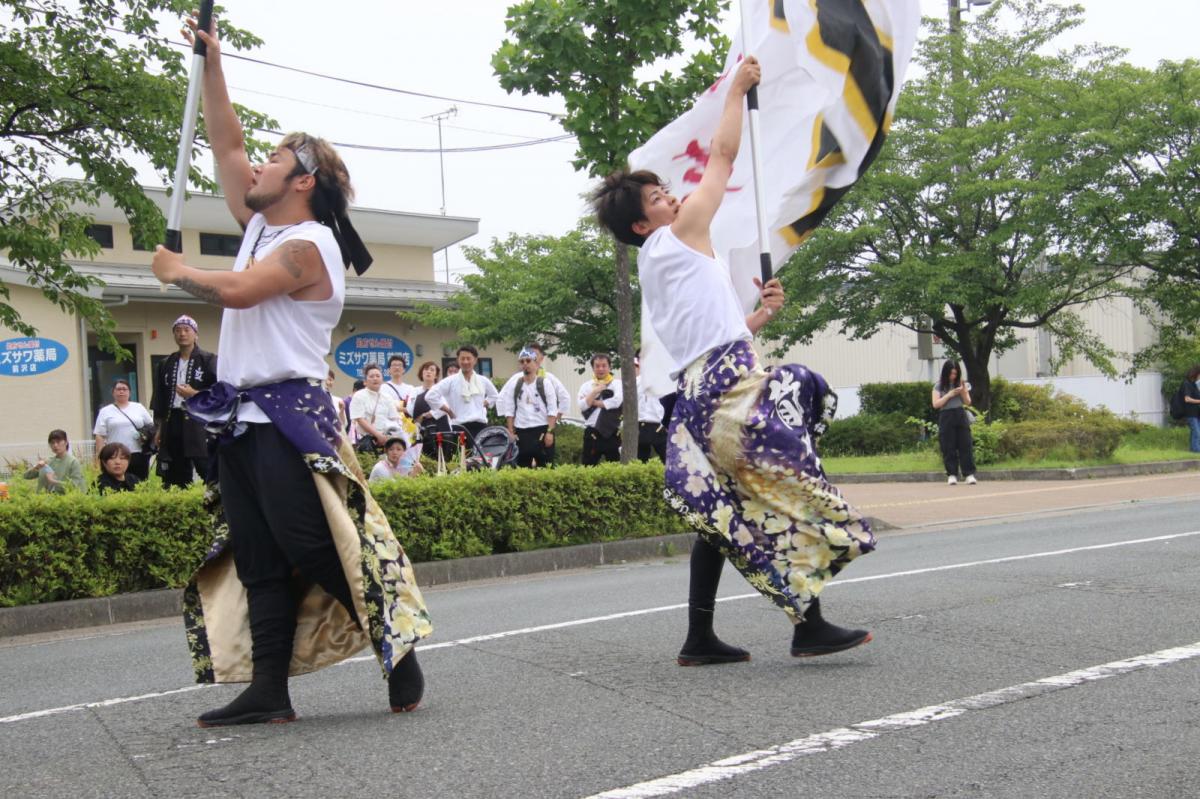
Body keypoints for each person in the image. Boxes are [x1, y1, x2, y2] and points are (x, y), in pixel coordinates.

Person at [149, 13, 429, 727]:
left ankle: (396, 646)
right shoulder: (259, 225)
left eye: (273, 160)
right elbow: (226, 141)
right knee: (256, 553)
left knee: (312, 541)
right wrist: (212, 62)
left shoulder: (310, 245)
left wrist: (179, 273)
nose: (256, 167)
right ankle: (269, 690)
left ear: (302, 180)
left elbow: (243, 291)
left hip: (289, 412)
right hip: (241, 415)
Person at [591, 55, 875, 665]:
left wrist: (758, 319)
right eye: (658, 197)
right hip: (727, 389)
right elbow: (721, 157)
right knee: (791, 478)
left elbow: (710, 334)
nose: (673, 197)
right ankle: (807, 624)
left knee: (723, 515)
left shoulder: (660, 263)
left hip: (705, 392)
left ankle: (703, 638)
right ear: (642, 223)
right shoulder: (678, 235)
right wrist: (737, 91)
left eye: (666, 191)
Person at [151, 315, 217, 488]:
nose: (182, 334)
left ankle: (216, 497)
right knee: (174, 467)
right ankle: (181, 498)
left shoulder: (209, 360)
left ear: (196, 335)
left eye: (187, 330)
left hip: (198, 419)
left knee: (204, 463)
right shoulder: (165, 363)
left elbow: (220, 391)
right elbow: (159, 398)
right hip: (172, 418)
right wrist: (159, 429)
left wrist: (194, 393)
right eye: (178, 330)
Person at [498, 347, 559, 468]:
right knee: (522, 469)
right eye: (522, 361)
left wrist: (550, 432)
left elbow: (552, 410)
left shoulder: (545, 383)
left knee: (546, 468)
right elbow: (509, 410)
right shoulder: (515, 384)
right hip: (522, 432)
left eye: (528, 360)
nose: (525, 364)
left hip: (542, 430)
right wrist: (511, 432)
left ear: (536, 363)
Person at [424, 345, 498, 444]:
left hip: (480, 426)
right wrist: (448, 410)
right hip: (460, 426)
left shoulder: (482, 380)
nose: (465, 362)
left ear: (475, 360)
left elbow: (494, 395)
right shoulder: (450, 381)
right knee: (462, 453)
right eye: (462, 358)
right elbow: (430, 396)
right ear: (458, 360)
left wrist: (484, 403)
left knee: (480, 454)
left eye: (468, 358)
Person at [93, 378, 155, 480]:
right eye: (118, 389)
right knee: (116, 482)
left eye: (124, 389)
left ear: (129, 392)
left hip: (138, 453)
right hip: (115, 456)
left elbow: (151, 426)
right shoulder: (105, 411)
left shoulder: (138, 407)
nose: (121, 391)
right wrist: (100, 457)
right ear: (113, 392)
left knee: (140, 483)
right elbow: (100, 435)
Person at [932, 360, 977, 485]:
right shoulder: (938, 386)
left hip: (960, 414)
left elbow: (968, 402)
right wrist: (949, 395)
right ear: (945, 373)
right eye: (951, 373)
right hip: (946, 415)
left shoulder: (961, 383)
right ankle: (952, 474)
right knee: (948, 446)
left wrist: (963, 391)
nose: (953, 376)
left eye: (955, 373)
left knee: (966, 444)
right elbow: (936, 404)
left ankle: (969, 474)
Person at [526, 342, 570, 465]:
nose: (532, 358)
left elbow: (565, 397)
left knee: (545, 463)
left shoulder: (549, 378)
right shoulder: (519, 378)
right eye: (529, 355)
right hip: (524, 428)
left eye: (536, 355)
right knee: (524, 465)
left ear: (541, 358)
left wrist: (556, 417)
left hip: (544, 427)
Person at [577, 353, 623, 465]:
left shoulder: (617, 384)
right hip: (592, 431)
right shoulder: (586, 386)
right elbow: (582, 405)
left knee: (615, 468)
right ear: (593, 368)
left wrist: (593, 402)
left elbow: (617, 401)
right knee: (588, 467)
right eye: (597, 366)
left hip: (612, 431)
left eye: (604, 365)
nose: (601, 369)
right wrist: (595, 391)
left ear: (609, 367)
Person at [351, 364, 404, 452]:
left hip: (386, 441)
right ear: (365, 381)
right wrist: (378, 435)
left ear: (382, 379)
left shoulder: (387, 397)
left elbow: (394, 418)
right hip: (366, 440)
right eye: (371, 376)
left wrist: (388, 436)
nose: (375, 378)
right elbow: (360, 419)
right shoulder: (359, 395)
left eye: (378, 376)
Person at [409, 360, 452, 458]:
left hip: (441, 428)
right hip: (421, 429)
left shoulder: (441, 390)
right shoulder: (414, 391)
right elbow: (410, 408)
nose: (428, 372)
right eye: (426, 369)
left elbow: (446, 407)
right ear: (422, 373)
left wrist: (430, 414)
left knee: (443, 456)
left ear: (436, 375)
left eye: (432, 370)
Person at [24, 429, 85, 494]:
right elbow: (26, 476)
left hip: (71, 498)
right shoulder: (49, 462)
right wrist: (37, 467)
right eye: (52, 443)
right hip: (51, 498)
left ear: (66, 442)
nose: (55, 445)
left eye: (58, 442)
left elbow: (74, 486)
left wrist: (52, 481)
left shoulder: (73, 462)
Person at [634, 355, 667, 462]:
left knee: (668, 459)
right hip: (639, 425)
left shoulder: (663, 380)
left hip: (658, 425)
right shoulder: (635, 382)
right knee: (640, 461)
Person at [1181, 365, 1200, 453]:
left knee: (1195, 432)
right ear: (1197, 374)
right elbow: (1187, 399)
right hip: (1191, 413)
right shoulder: (1186, 384)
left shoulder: (1195, 385)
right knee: (1196, 432)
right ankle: (1196, 450)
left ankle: (1193, 449)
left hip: (1197, 413)